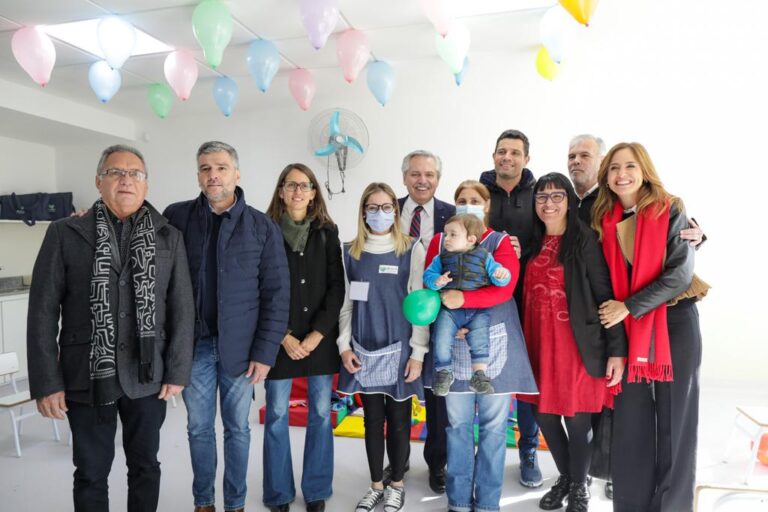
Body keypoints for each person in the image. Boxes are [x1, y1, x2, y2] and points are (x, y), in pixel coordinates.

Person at [27, 144, 195, 512]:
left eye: (135, 174)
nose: (126, 180)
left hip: (147, 374)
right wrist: (47, 381)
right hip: (86, 373)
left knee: (146, 467)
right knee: (89, 471)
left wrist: (178, 370)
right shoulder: (64, 232)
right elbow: (41, 312)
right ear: (99, 182)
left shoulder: (169, 236)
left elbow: (182, 308)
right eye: (116, 173)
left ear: (146, 185)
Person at [566, 134, 707, 500]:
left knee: (676, 423)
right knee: (631, 424)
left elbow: (679, 275)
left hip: (673, 323)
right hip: (626, 330)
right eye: (613, 167)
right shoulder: (599, 216)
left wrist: (628, 306)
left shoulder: (670, 208)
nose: (621, 173)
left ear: (644, 171)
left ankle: (673, 507)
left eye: (630, 165)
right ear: (605, 175)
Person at [163, 141, 290, 512]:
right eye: (205, 168)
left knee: (238, 430)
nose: (212, 174)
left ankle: (235, 504)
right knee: (198, 429)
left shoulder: (262, 226)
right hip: (195, 346)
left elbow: (276, 295)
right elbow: (138, 227)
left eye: (220, 167)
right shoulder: (177, 217)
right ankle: (204, 502)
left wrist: (265, 353)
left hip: (242, 350)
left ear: (237, 173)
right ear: (198, 174)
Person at [424, 180, 537, 512]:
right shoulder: (439, 241)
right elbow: (429, 286)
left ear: (487, 205)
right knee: (457, 426)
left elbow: (505, 288)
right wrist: (450, 315)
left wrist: (462, 300)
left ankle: (488, 502)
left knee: (493, 427)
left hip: (494, 341)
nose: (467, 204)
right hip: (452, 342)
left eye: (475, 199)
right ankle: (458, 500)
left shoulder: (500, 243)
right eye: (461, 200)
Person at [518, 173, 627, 512]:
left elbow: (606, 297)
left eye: (556, 196)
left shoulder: (585, 242)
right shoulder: (530, 244)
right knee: (545, 418)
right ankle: (567, 477)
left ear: (569, 201)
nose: (548, 203)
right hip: (537, 348)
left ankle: (579, 488)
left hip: (578, 349)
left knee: (578, 424)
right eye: (541, 197)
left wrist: (617, 351)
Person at [337, 182, 428, 512]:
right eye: (372, 207)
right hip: (364, 348)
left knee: (400, 419)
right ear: (363, 212)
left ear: (396, 209)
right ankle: (377, 485)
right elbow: (346, 304)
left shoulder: (411, 249)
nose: (380, 213)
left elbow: (419, 305)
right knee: (371, 420)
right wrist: (344, 346)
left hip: (400, 349)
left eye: (386, 206)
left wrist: (418, 352)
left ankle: (397, 485)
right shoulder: (350, 251)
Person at [261, 164, 345, 512]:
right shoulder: (263, 231)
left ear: (314, 193)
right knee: (278, 414)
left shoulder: (327, 232)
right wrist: (282, 336)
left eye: (305, 185)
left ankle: (316, 490)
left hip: (319, 339)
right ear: (281, 191)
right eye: (291, 184)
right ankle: (279, 492)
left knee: (321, 414)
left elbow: (336, 286)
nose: (297, 191)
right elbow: (259, 287)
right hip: (277, 338)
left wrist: (317, 335)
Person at [478, 129, 542, 487]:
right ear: (493, 156)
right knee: (481, 372)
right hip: (482, 300)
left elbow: (550, 237)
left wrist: (521, 253)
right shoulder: (478, 192)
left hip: (526, 299)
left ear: (526, 159)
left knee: (524, 379)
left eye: (515, 153)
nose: (507, 157)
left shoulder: (538, 195)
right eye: (502, 151)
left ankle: (528, 449)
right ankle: (485, 448)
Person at [396, 149, 455, 493]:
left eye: (429, 175)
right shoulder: (387, 210)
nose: (422, 180)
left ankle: (437, 463)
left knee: (437, 397)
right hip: (396, 314)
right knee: (399, 393)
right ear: (405, 177)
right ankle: (399, 459)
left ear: (438, 179)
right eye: (415, 174)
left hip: (439, 317)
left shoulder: (452, 215)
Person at [423, 213, 511, 395]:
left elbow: (500, 278)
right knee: (441, 337)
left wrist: (502, 275)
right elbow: (428, 277)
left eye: (452, 234)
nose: (446, 238)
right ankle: (444, 372)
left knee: (480, 339)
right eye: (445, 234)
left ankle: (479, 374)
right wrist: (436, 281)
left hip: (477, 310)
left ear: (471, 239)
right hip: (449, 310)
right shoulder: (441, 258)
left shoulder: (484, 257)